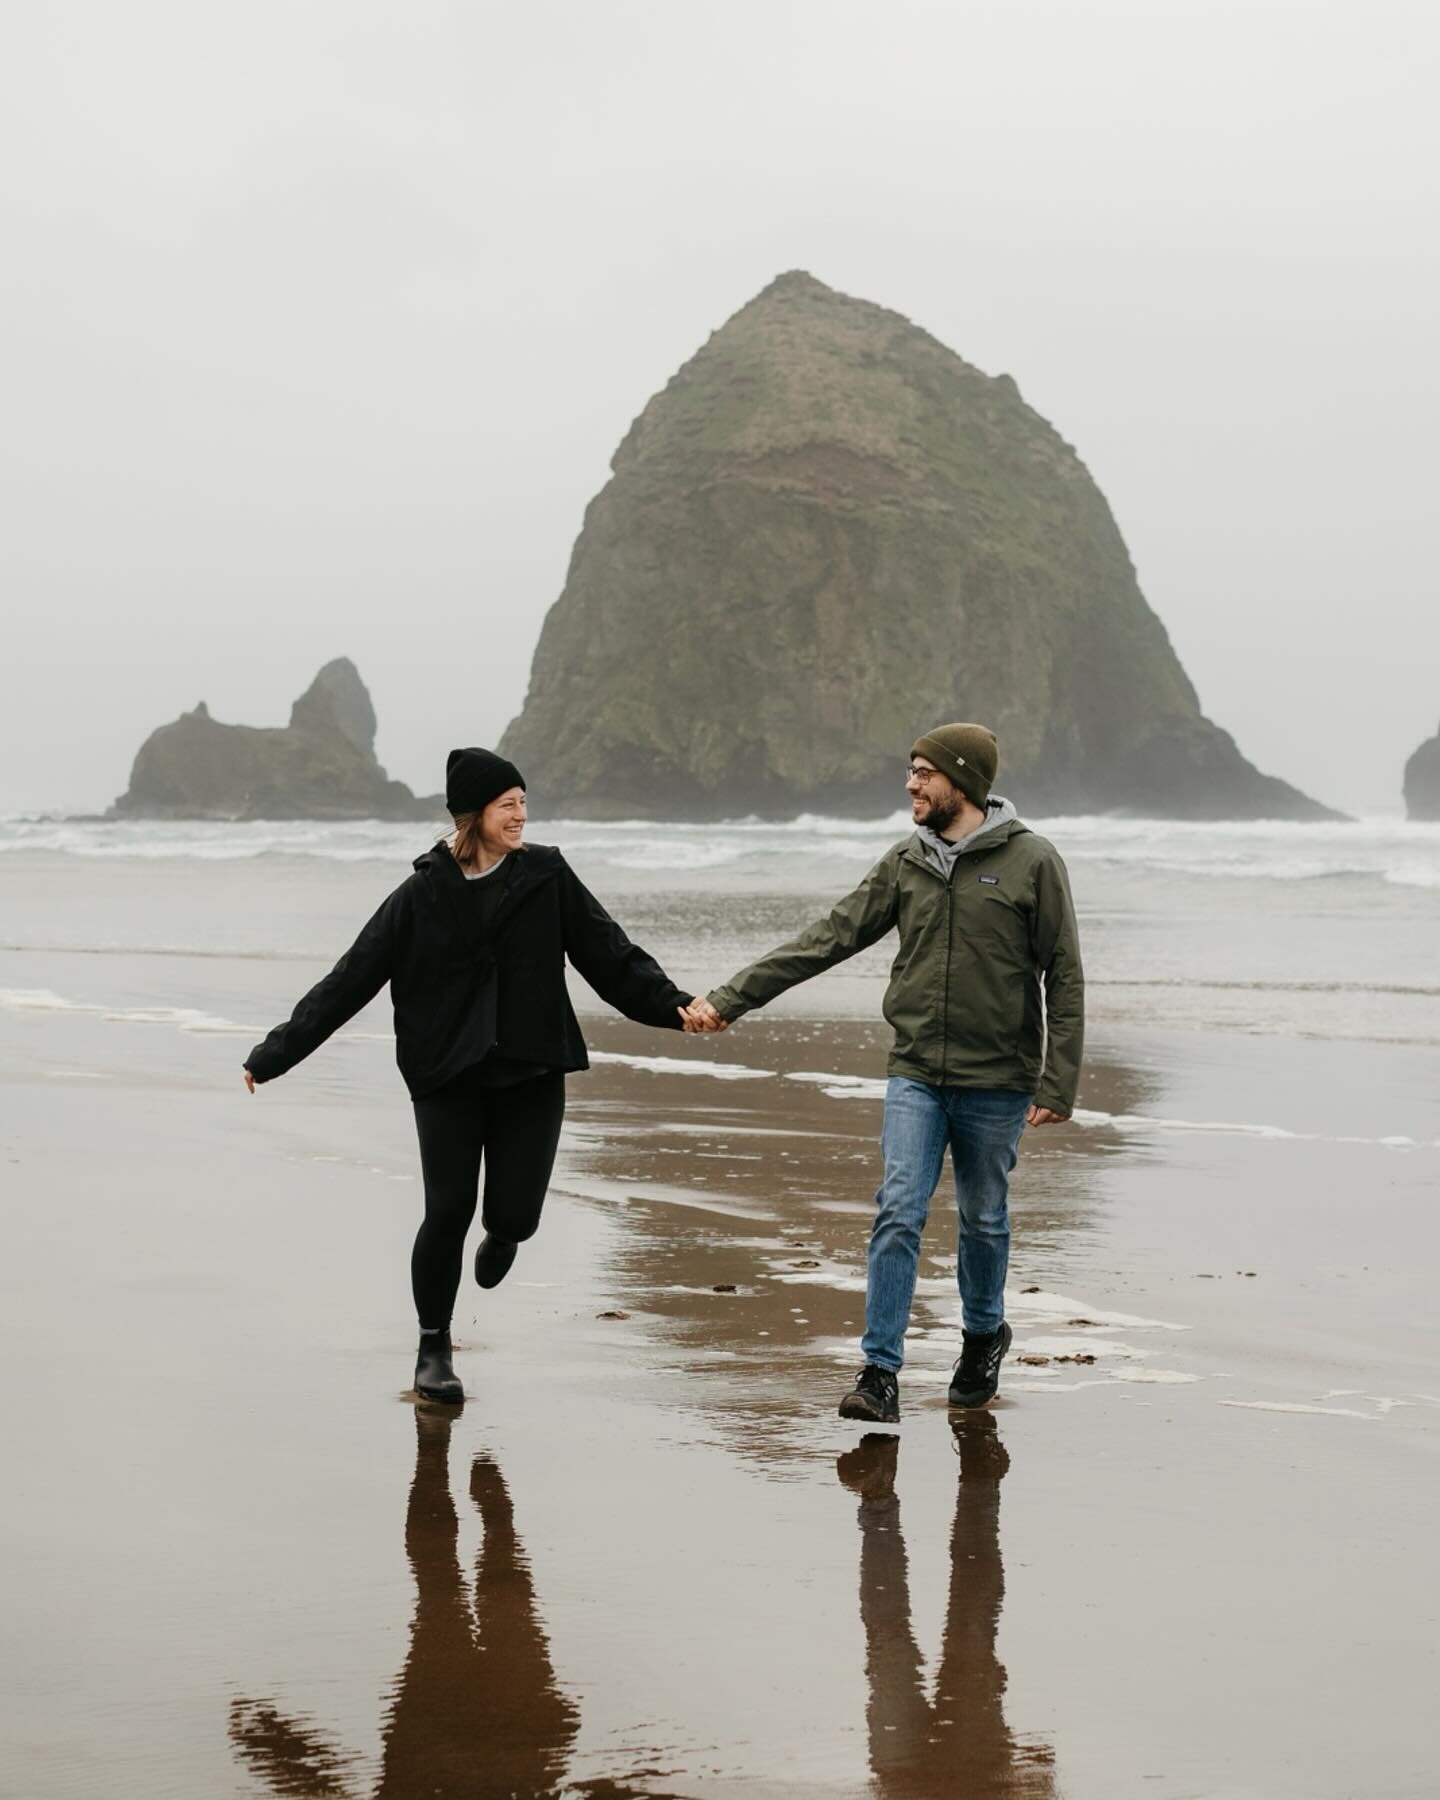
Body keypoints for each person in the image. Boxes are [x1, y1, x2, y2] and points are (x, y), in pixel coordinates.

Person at [243, 747, 696, 1402]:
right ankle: (434, 1347)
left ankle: (505, 1235)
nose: (521, 815)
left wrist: (676, 1007)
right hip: (446, 1072)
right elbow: (350, 979)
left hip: (532, 1067)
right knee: (448, 1209)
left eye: (523, 803)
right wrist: (274, 1053)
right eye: (507, 805)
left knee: (515, 1215)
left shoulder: (546, 876)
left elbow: (612, 956)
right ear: (474, 815)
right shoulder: (421, 895)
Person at [683, 723, 1084, 1421]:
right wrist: (732, 997)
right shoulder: (907, 862)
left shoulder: (1033, 863)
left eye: (924, 772)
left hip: (998, 1079)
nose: (911, 784)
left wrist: (1059, 1081)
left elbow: (1065, 975)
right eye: (910, 769)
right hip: (916, 1072)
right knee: (898, 1209)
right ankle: (879, 1374)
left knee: (983, 1217)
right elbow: (828, 938)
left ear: (962, 780)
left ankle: (984, 1334)